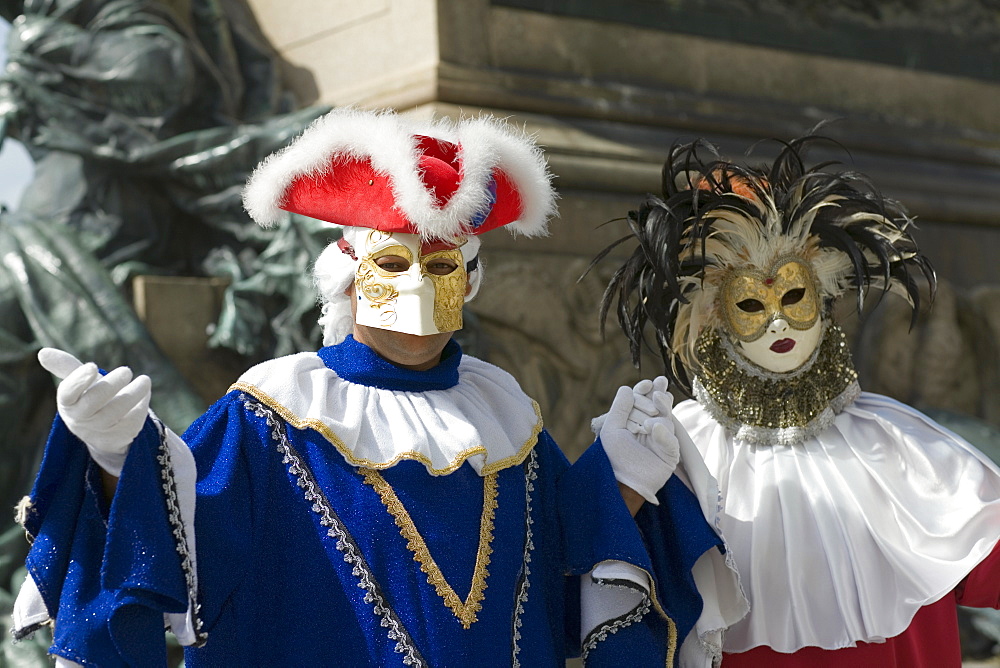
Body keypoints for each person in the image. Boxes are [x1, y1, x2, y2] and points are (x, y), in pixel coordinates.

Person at [12, 108, 723, 667]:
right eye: (392, 263)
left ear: (470, 281)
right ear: (349, 279)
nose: (418, 287)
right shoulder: (273, 414)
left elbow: (561, 585)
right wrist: (114, 461)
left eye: (442, 268)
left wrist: (622, 477)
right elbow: (174, 558)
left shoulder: (505, 416)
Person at [597, 133, 1000, 667]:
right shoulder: (676, 453)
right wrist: (615, 487)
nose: (779, 319)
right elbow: (584, 576)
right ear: (714, 314)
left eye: (792, 293)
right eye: (750, 303)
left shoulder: (903, 452)